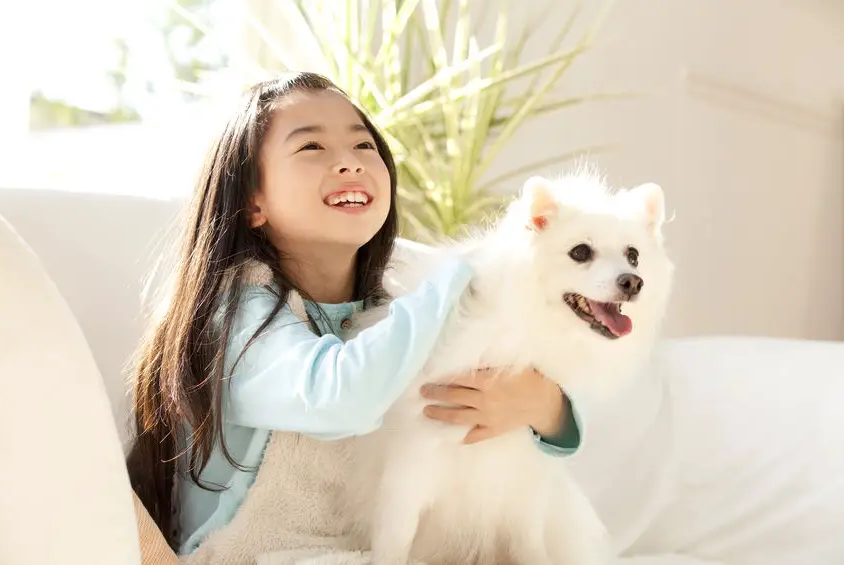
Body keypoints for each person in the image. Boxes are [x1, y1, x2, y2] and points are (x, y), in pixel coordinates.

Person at [125, 71, 582, 557]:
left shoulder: (394, 305)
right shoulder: (238, 318)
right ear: (252, 203)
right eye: (312, 147)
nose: (350, 162)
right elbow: (340, 395)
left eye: (364, 145)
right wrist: (465, 272)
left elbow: (542, 411)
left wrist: (547, 406)